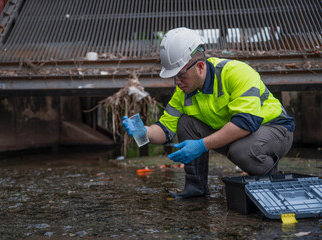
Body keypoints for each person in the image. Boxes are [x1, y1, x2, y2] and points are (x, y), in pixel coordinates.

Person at [122, 27, 294, 199]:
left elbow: (246, 123)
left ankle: (269, 174)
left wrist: (201, 145)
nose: (176, 82)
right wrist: (143, 131)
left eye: (180, 75)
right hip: (236, 133)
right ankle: (196, 187)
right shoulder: (183, 92)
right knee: (186, 123)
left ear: (201, 66)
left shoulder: (236, 72)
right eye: (173, 76)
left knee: (241, 151)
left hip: (275, 129)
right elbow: (164, 130)